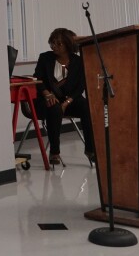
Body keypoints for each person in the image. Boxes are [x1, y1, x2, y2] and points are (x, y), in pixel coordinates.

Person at [33, 28, 95, 166]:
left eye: (58, 43)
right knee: (54, 108)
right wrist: (47, 94)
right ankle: (54, 152)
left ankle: (90, 150)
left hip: (69, 100)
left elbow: (80, 87)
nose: (54, 46)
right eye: (52, 43)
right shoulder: (45, 58)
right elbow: (37, 79)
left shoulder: (78, 61)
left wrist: (66, 102)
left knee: (86, 106)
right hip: (46, 101)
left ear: (68, 45)